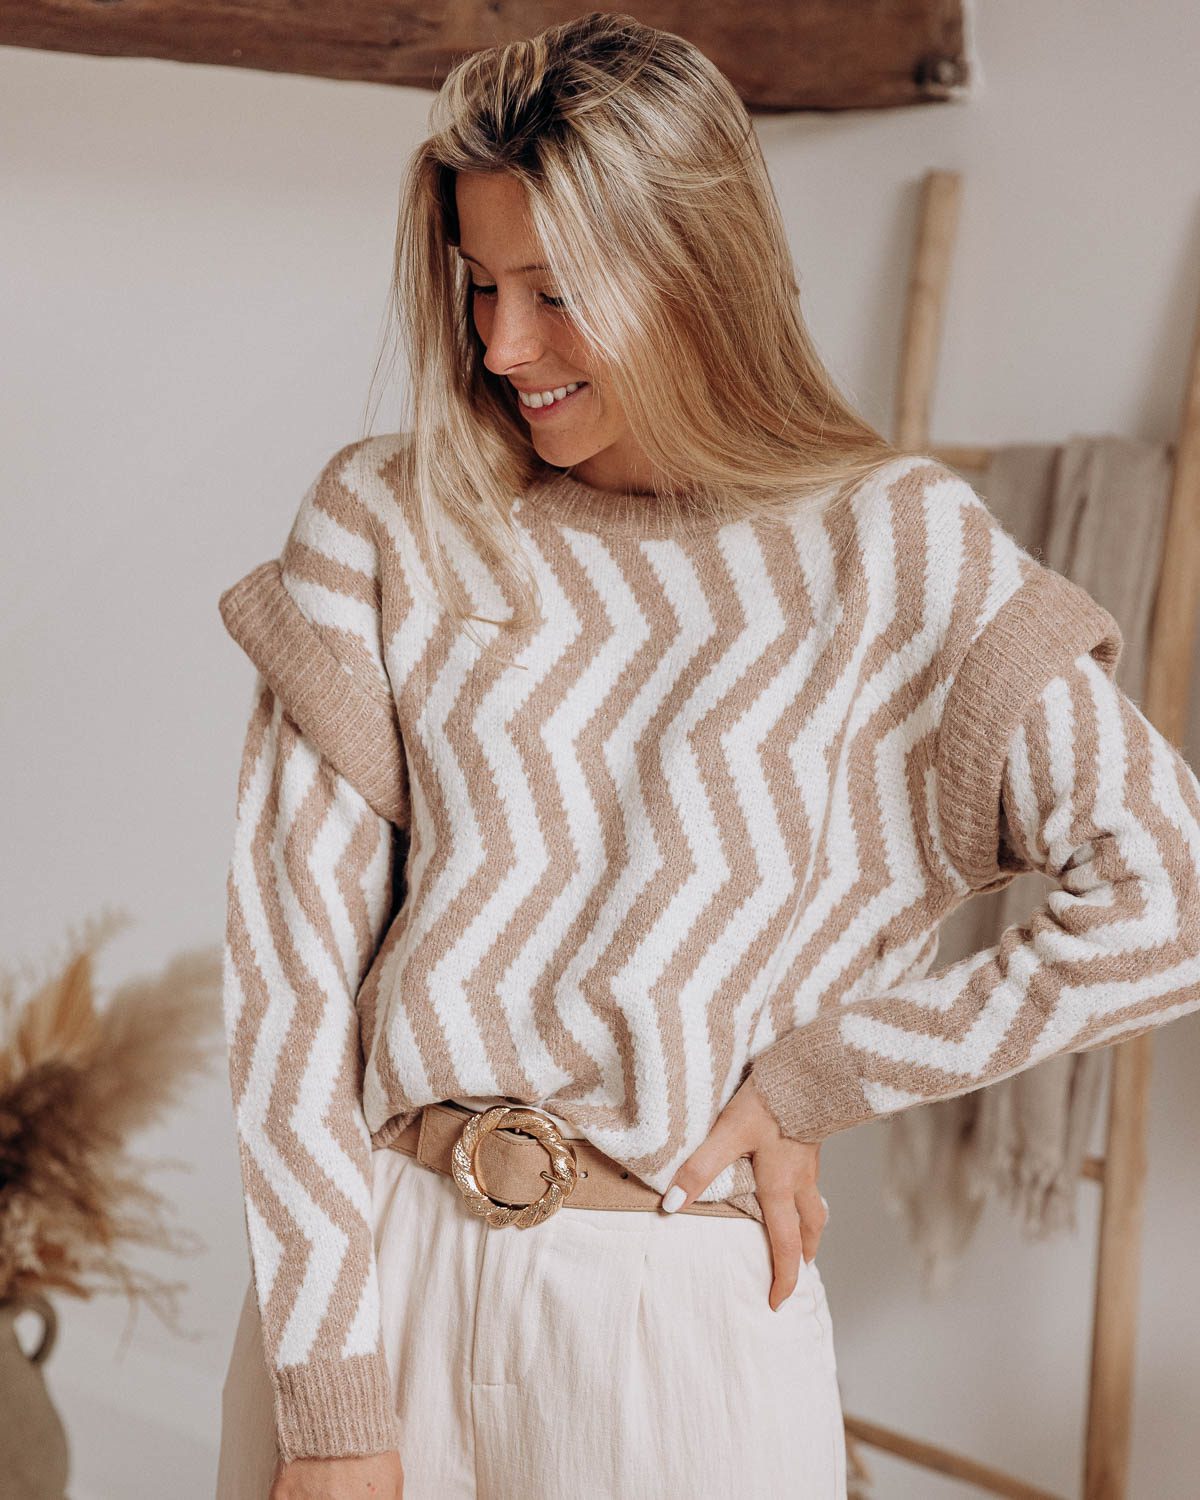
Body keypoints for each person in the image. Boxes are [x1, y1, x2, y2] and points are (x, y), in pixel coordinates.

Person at [213, 13, 1200, 1500]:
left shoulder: (892, 548)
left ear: (695, 270)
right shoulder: (385, 523)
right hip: (379, 1280)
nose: (502, 346)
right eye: (480, 285)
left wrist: (820, 1078)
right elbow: (288, 989)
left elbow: (1167, 892)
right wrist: (334, 1408)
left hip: (672, 1325)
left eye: (556, 293)